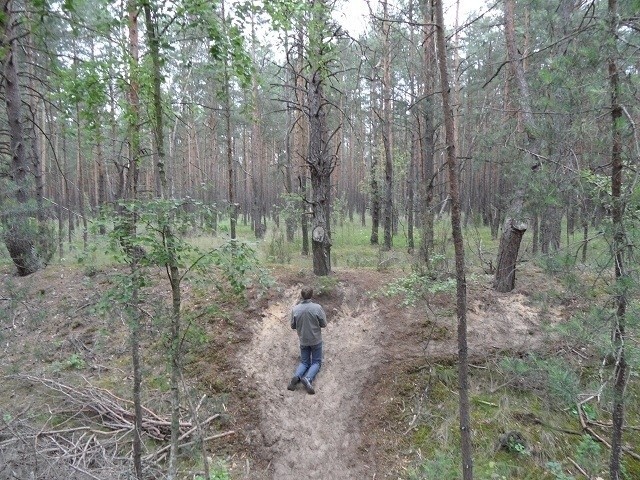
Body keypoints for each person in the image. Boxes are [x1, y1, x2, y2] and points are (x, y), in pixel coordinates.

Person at [287, 286, 327, 394]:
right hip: (315, 339)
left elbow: (293, 326)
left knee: (304, 362)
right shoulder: (317, 308)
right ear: (311, 295)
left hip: (303, 340)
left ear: (301, 295)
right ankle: (308, 378)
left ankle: (297, 376)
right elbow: (324, 324)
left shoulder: (295, 309)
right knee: (316, 362)